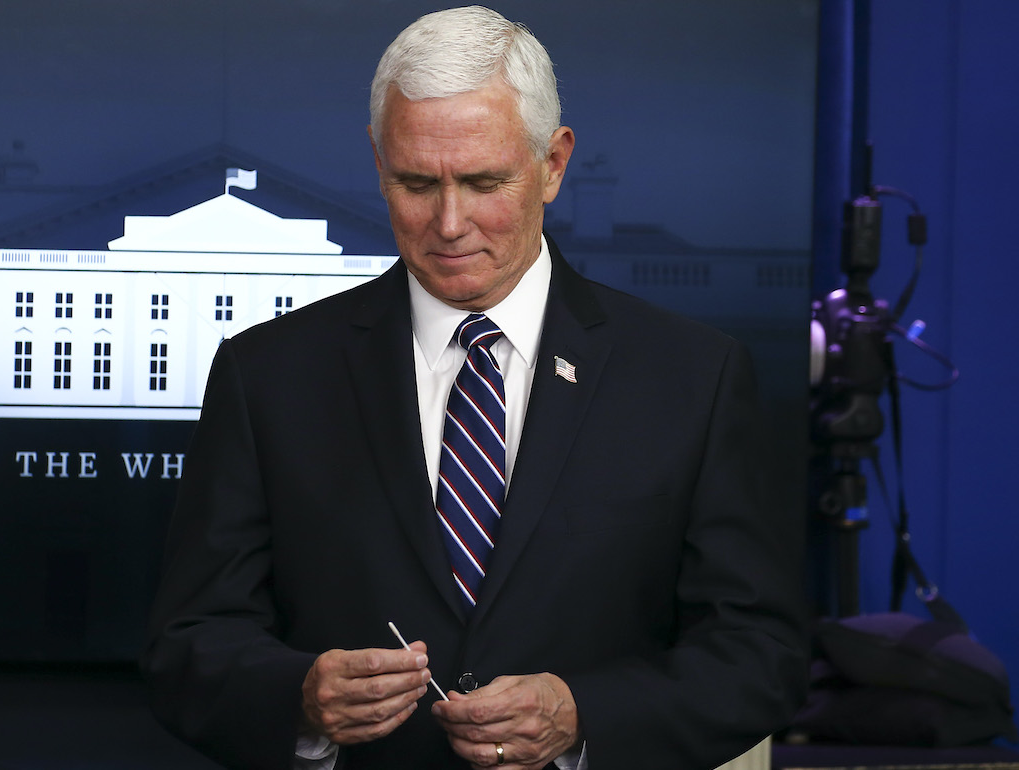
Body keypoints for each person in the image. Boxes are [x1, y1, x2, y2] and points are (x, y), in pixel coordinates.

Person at [143, 6, 808, 769]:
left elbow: (762, 655)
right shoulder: (268, 375)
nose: (450, 223)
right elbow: (186, 650)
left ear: (554, 164)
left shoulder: (694, 377)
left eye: (486, 181)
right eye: (416, 183)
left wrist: (582, 714)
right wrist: (299, 694)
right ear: (376, 159)